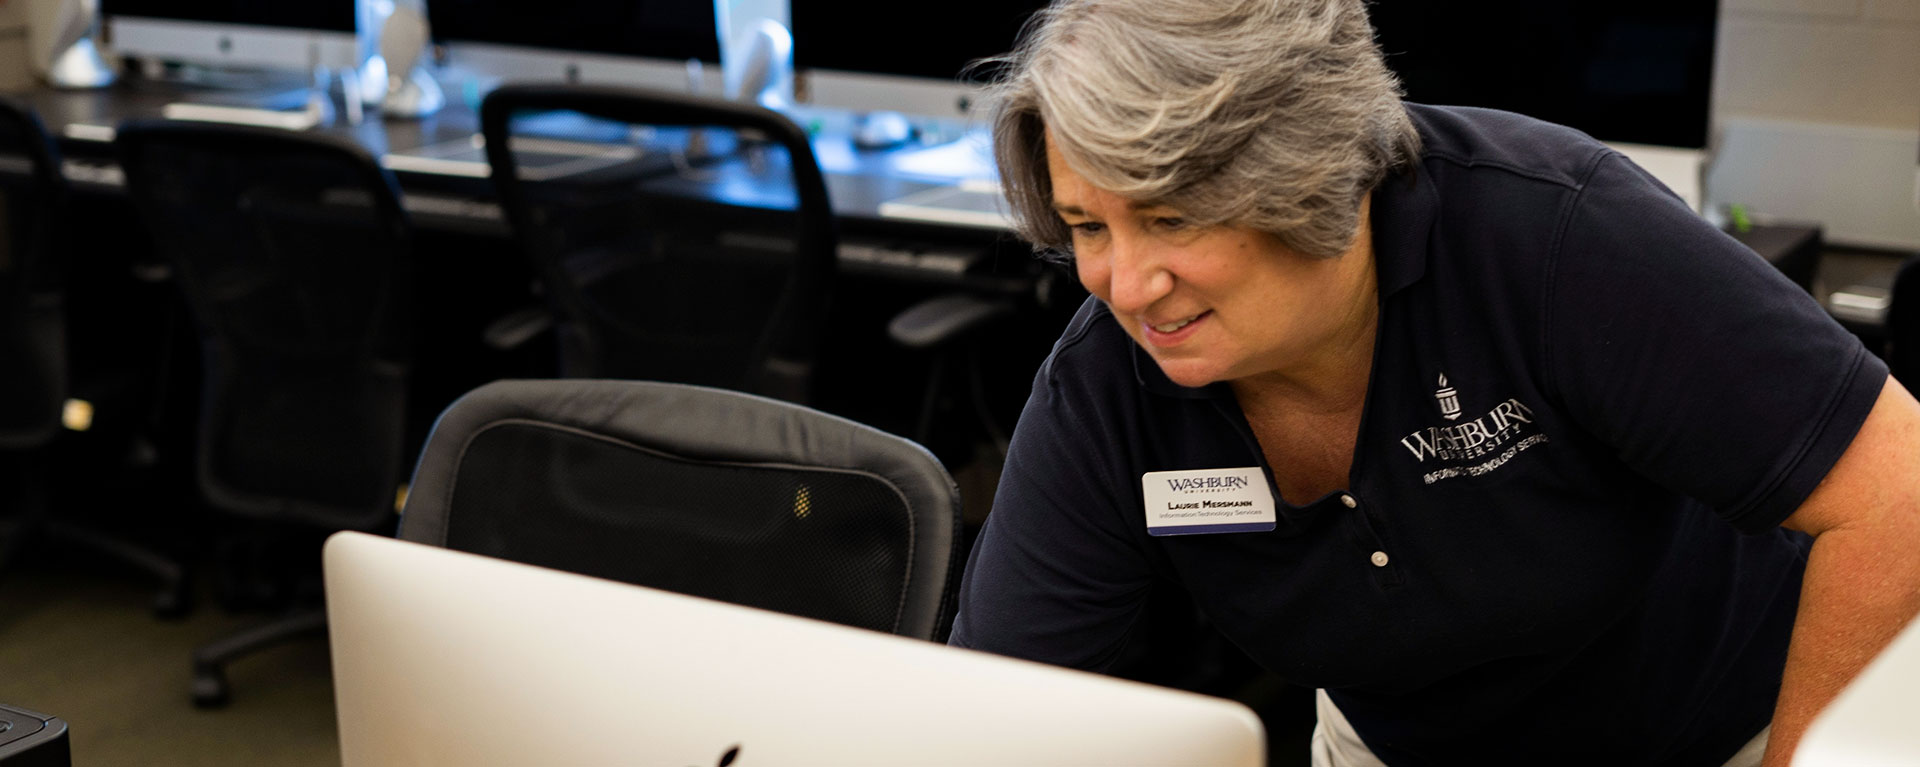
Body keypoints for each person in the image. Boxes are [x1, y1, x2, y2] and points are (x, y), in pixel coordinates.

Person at [945, 1, 1920, 765]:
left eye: (1169, 219)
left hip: (1724, 733)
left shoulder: (1557, 240)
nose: (1125, 284)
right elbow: (1003, 710)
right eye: (1086, 226)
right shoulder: (1107, 388)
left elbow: (1895, 487)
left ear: (1304, 173)